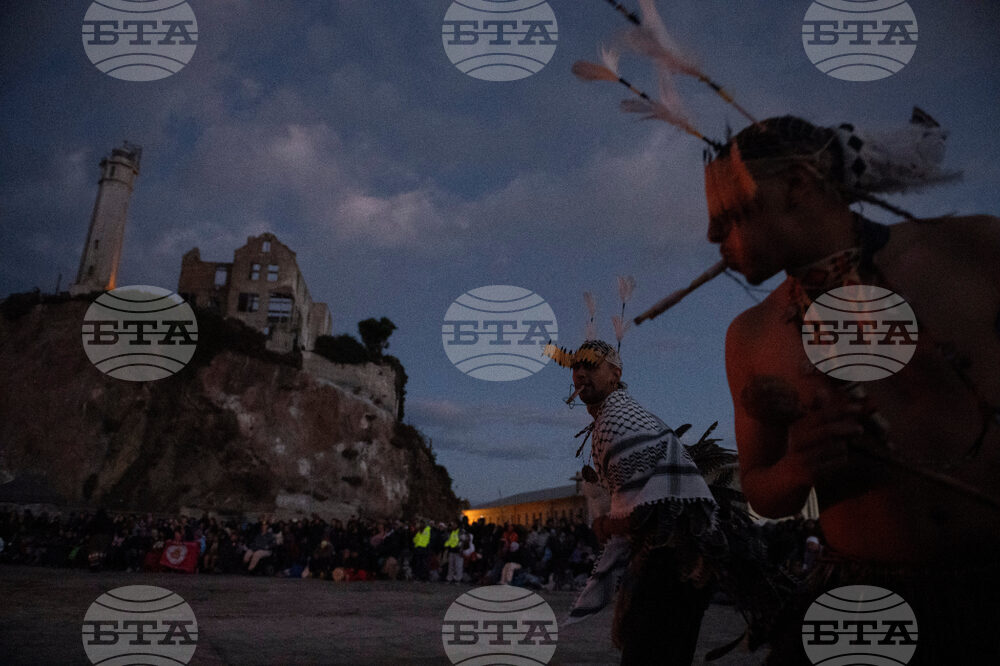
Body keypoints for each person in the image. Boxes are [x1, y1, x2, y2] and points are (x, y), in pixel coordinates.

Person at [705, 113, 1000, 663]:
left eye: (727, 216)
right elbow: (761, 489)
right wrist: (799, 467)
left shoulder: (976, 251)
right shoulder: (750, 335)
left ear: (796, 186)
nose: (712, 235)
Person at [547, 339, 724, 665]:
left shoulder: (617, 419)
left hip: (672, 565)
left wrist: (604, 523)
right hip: (675, 564)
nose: (581, 373)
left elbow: (650, 509)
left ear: (615, 374)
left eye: (591, 365)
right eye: (576, 367)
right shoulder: (618, 415)